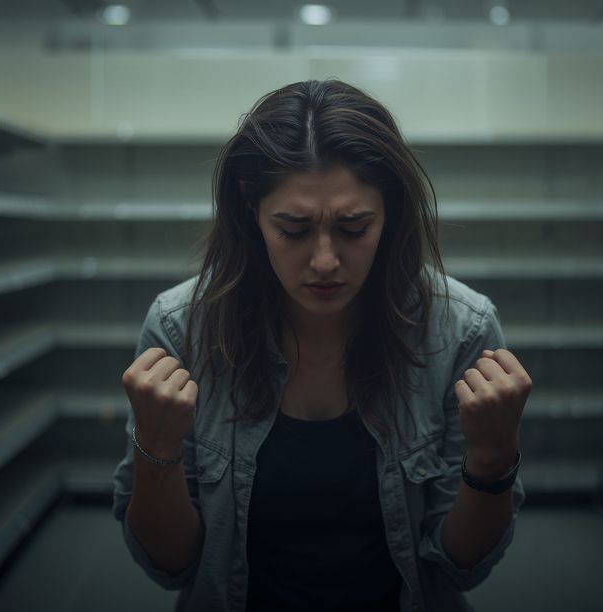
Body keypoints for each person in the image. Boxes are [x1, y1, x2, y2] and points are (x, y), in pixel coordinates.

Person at [112, 79, 530, 612]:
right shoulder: (181, 331)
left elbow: (459, 568)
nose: (326, 260)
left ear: (392, 212)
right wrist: (156, 449)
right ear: (249, 210)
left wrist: (493, 460)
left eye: (355, 228)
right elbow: (169, 566)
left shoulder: (462, 331)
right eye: (294, 228)